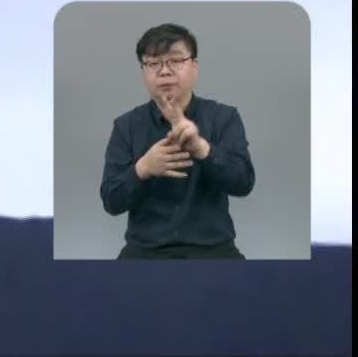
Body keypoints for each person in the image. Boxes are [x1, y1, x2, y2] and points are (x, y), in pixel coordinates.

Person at [99, 23, 257, 259]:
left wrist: (202, 149)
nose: (164, 71)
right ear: (143, 71)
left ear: (194, 66)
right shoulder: (126, 126)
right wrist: (143, 168)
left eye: (175, 61)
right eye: (153, 63)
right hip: (145, 252)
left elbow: (244, 184)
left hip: (213, 250)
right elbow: (111, 202)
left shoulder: (224, 117)